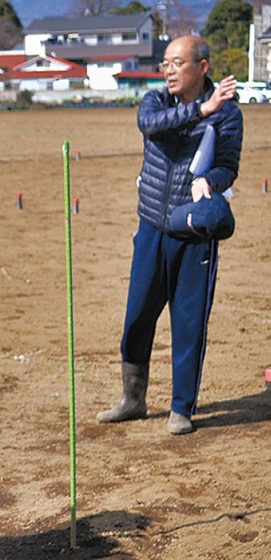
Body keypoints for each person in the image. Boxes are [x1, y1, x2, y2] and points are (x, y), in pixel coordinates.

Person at [96, 36, 242, 436]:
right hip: (150, 227)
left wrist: (209, 181)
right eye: (165, 63)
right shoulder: (155, 102)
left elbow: (228, 165)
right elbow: (151, 126)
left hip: (193, 232)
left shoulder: (229, 115)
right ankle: (133, 399)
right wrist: (202, 110)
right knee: (137, 316)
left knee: (189, 321)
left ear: (203, 66)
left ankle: (182, 408)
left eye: (178, 63)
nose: (169, 70)